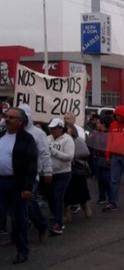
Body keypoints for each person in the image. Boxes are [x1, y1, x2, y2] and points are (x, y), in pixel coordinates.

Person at [0, 107, 37, 264]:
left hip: (17, 184)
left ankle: (22, 251)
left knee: (19, 219)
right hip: (1, 182)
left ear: (20, 122)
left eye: (11, 117)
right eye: (6, 116)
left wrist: (28, 188)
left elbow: (31, 165)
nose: (7, 119)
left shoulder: (27, 139)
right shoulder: (1, 136)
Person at [18, 104, 52, 242]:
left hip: (31, 175)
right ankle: (17, 235)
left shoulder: (38, 134)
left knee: (29, 203)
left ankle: (42, 226)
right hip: (13, 175)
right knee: (15, 205)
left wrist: (48, 171)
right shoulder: (12, 132)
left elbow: (45, 153)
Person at [47, 118, 75, 235]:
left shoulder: (67, 139)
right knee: (50, 197)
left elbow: (69, 157)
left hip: (63, 173)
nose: (52, 130)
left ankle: (58, 223)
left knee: (58, 197)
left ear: (60, 128)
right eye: (51, 128)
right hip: (49, 173)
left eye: (54, 128)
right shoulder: (48, 138)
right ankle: (57, 217)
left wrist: (53, 151)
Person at [64, 124, 92, 221]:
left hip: (77, 170)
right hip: (66, 170)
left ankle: (86, 209)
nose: (66, 130)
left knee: (82, 193)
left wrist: (73, 155)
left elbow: (86, 152)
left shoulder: (78, 140)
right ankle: (67, 215)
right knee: (66, 194)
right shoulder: (62, 140)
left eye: (68, 128)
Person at [87, 115, 112, 205]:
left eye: (98, 123)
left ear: (103, 124)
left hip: (105, 158)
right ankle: (102, 197)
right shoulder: (96, 133)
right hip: (97, 158)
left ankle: (111, 198)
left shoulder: (109, 134)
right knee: (100, 179)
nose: (97, 124)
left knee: (107, 179)